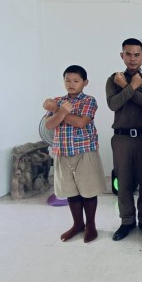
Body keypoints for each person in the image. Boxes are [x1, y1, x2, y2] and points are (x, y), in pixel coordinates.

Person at [43, 65, 106, 243]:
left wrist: (58, 110)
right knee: (71, 192)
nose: (71, 84)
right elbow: (49, 125)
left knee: (88, 191)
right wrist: (61, 110)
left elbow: (80, 122)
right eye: (67, 80)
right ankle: (78, 224)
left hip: (84, 151)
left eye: (76, 81)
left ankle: (91, 226)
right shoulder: (58, 100)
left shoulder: (89, 101)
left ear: (85, 82)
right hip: (62, 152)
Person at [106, 38, 142, 240]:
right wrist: (130, 86)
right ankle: (127, 221)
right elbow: (113, 105)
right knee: (123, 182)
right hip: (121, 138)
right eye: (128, 54)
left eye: (137, 55)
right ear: (122, 55)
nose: (132, 58)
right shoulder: (113, 79)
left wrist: (127, 86)